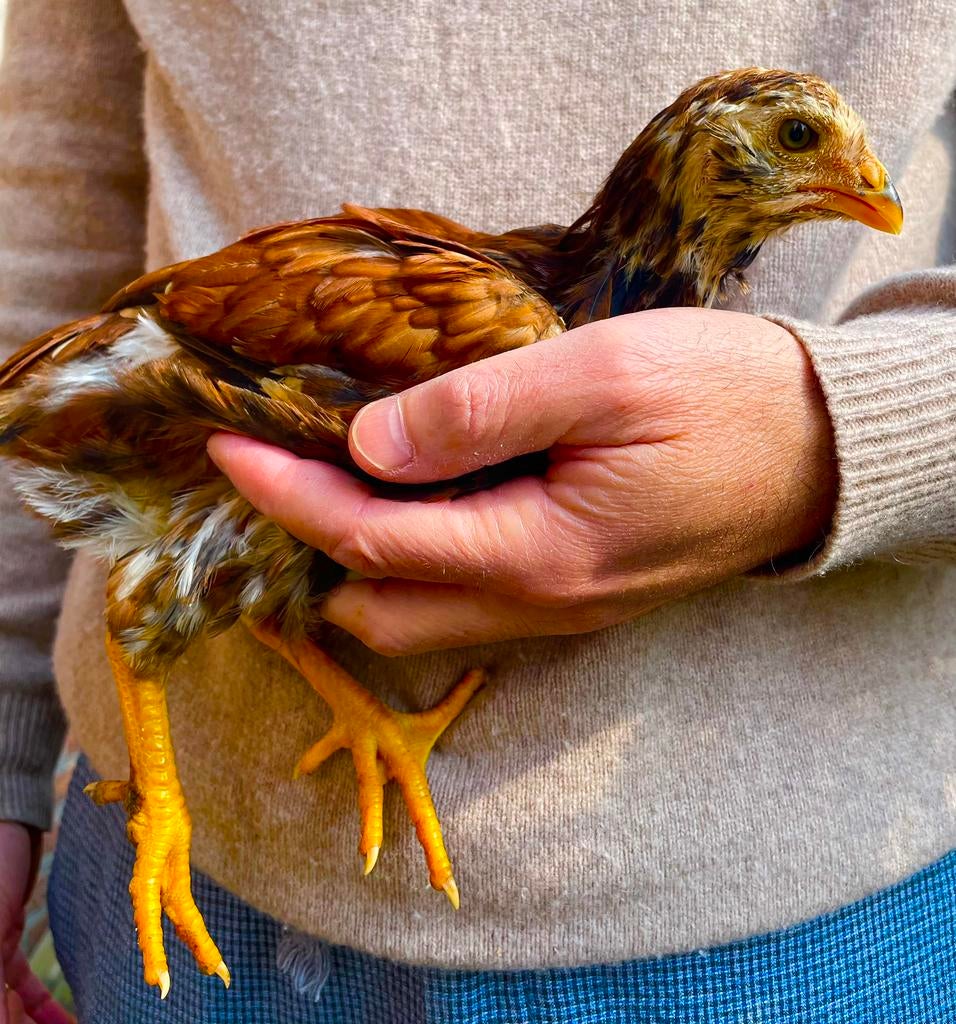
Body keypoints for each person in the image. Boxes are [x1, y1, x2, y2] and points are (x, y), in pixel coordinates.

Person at [1, 1, 954, 1021]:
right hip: (214, 867)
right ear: (697, 167)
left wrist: (849, 430)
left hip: (802, 896)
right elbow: (54, 175)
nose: (860, 176)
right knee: (202, 553)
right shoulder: (493, 319)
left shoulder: (559, 306)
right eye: (800, 141)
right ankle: (168, 811)